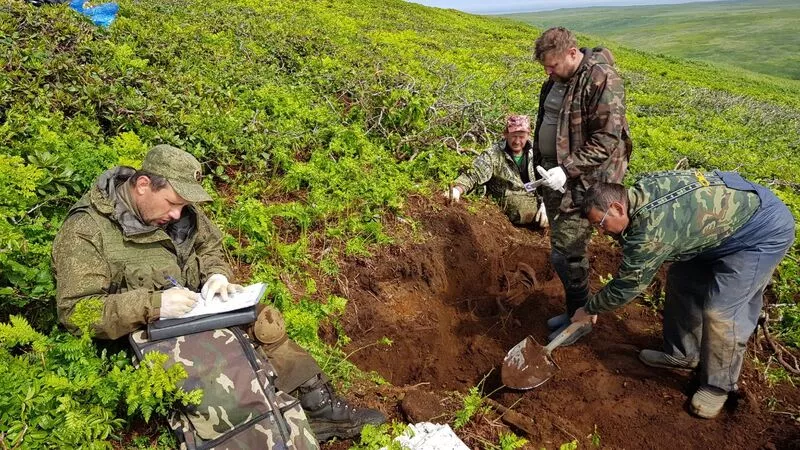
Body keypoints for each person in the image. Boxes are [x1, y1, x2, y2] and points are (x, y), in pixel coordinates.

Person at [51, 144, 385, 441]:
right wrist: (153, 304)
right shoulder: (87, 229)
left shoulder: (178, 214)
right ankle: (262, 426)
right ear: (143, 186)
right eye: (172, 203)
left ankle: (318, 406)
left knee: (263, 320)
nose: (177, 214)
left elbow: (209, 247)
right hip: (145, 335)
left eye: (182, 206)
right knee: (223, 359)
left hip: (194, 313)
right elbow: (76, 312)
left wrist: (217, 277)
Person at [572, 170, 795, 419]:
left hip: (758, 232)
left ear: (617, 207)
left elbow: (628, 285)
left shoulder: (651, 230)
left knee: (721, 311)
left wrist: (590, 308)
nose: (601, 232)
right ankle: (682, 354)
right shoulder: (639, 193)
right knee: (681, 279)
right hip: (714, 231)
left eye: (600, 224)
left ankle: (718, 386)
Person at [531, 27, 632, 346]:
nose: (549, 72)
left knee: (568, 253)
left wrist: (567, 168)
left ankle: (581, 318)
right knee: (562, 248)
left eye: (553, 65)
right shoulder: (558, 78)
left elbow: (606, 140)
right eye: (545, 67)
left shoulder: (602, 78)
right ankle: (575, 307)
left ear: (573, 53)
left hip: (586, 182)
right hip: (556, 176)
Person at [448, 114, 548, 228]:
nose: (517, 141)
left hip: (535, 195)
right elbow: (474, 174)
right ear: (505, 134)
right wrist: (457, 189)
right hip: (512, 200)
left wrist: (546, 203)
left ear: (528, 135)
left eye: (521, 137)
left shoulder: (537, 153)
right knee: (521, 209)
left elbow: (547, 180)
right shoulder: (493, 154)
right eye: (513, 136)